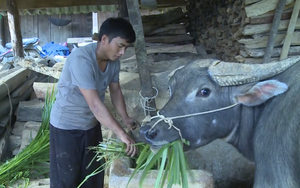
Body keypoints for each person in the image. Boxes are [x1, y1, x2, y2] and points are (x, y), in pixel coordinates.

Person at [49, 17, 138, 188]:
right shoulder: (81, 60)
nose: (122, 53)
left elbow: (115, 91)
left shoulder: (113, 62)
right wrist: (120, 133)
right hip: (66, 128)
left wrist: (125, 118)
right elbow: (95, 105)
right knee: (66, 180)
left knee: (92, 177)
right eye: (120, 46)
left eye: (126, 48)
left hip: (90, 126)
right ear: (104, 39)